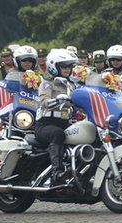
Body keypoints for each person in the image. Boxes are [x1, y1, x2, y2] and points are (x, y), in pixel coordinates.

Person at [36, 49, 77, 184]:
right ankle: (57, 172)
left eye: (69, 66)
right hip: (46, 124)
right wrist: (57, 100)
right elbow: (44, 101)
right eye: (64, 66)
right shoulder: (47, 83)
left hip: (65, 123)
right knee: (57, 134)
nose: (67, 69)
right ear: (55, 67)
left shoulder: (72, 85)